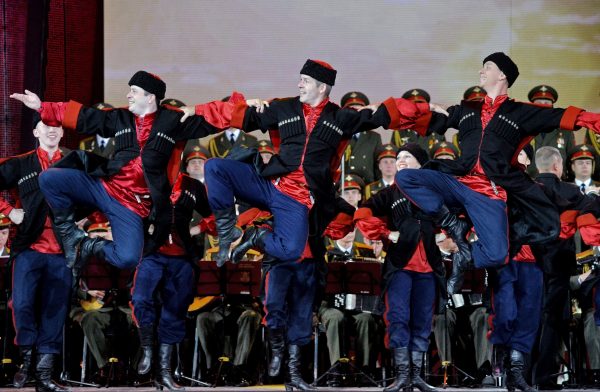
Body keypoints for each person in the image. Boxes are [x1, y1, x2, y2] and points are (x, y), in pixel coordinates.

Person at [390, 52, 600, 292]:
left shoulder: (521, 112)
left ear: (502, 75)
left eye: (487, 67)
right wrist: (428, 107)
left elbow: (573, 116)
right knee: (406, 176)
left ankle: (466, 255)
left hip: (489, 192)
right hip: (458, 182)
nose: (481, 71)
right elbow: (422, 117)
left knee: (497, 254)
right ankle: (453, 224)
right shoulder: (466, 109)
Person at [10, 71, 231, 278]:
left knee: (127, 258)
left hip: (132, 206)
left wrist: (244, 107)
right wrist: (42, 107)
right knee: (49, 178)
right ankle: (69, 234)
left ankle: (89, 245)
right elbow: (86, 116)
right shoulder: (121, 117)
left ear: (150, 96)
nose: (128, 95)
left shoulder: (173, 121)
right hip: (104, 187)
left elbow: (214, 118)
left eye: (133, 91)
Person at [200, 59, 398, 267]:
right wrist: (198, 110)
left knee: (291, 250)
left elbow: (386, 114)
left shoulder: (341, 117)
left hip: (297, 198)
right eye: (300, 80)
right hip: (269, 184)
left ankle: (257, 237)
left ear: (321, 87)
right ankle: (227, 229)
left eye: (305, 81)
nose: (299, 84)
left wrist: (426, 107)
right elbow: (239, 115)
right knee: (214, 167)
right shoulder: (284, 107)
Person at [354, 143, 444, 392]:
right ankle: (402, 375)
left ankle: (417, 376)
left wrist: (444, 236)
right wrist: (384, 232)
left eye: (407, 156)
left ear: (420, 163)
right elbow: (362, 213)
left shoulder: (434, 191)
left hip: (429, 268)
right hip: (400, 267)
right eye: (398, 157)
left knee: (423, 321)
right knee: (398, 317)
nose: (400, 160)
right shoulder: (389, 193)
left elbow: (455, 216)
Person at [2, 115, 70, 392]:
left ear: (63, 132)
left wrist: (84, 219)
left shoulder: (74, 162)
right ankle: (26, 362)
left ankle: (44, 373)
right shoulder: (21, 163)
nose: (51, 132)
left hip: (62, 251)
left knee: (55, 310)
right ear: (35, 131)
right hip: (29, 248)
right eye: (46, 127)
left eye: (56, 128)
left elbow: (99, 193)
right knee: (22, 305)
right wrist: (9, 211)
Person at [131, 167, 213, 391]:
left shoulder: (192, 186)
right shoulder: (147, 180)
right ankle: (147, 348)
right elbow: (129, 209)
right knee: (140, 298)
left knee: (174, 311)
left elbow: (212, 214)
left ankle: (164, 373)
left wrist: (199, 228)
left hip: (182, 257)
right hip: (152, 253)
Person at [526, 85, 575, 177]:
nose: (543, 106)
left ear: (552, 106)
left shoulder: (565, 131)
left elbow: (571, 160)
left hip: (558, 183)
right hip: (530, 183)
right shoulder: (524, 129)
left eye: (546, 103)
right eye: (539, 103)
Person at [340, 91, 382, 184]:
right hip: (343, 186)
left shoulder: (374, 137)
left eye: (359, 109)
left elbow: (378, 166)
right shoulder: (338, 134)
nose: (355, 113)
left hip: (367, 185)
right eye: (351, 109)